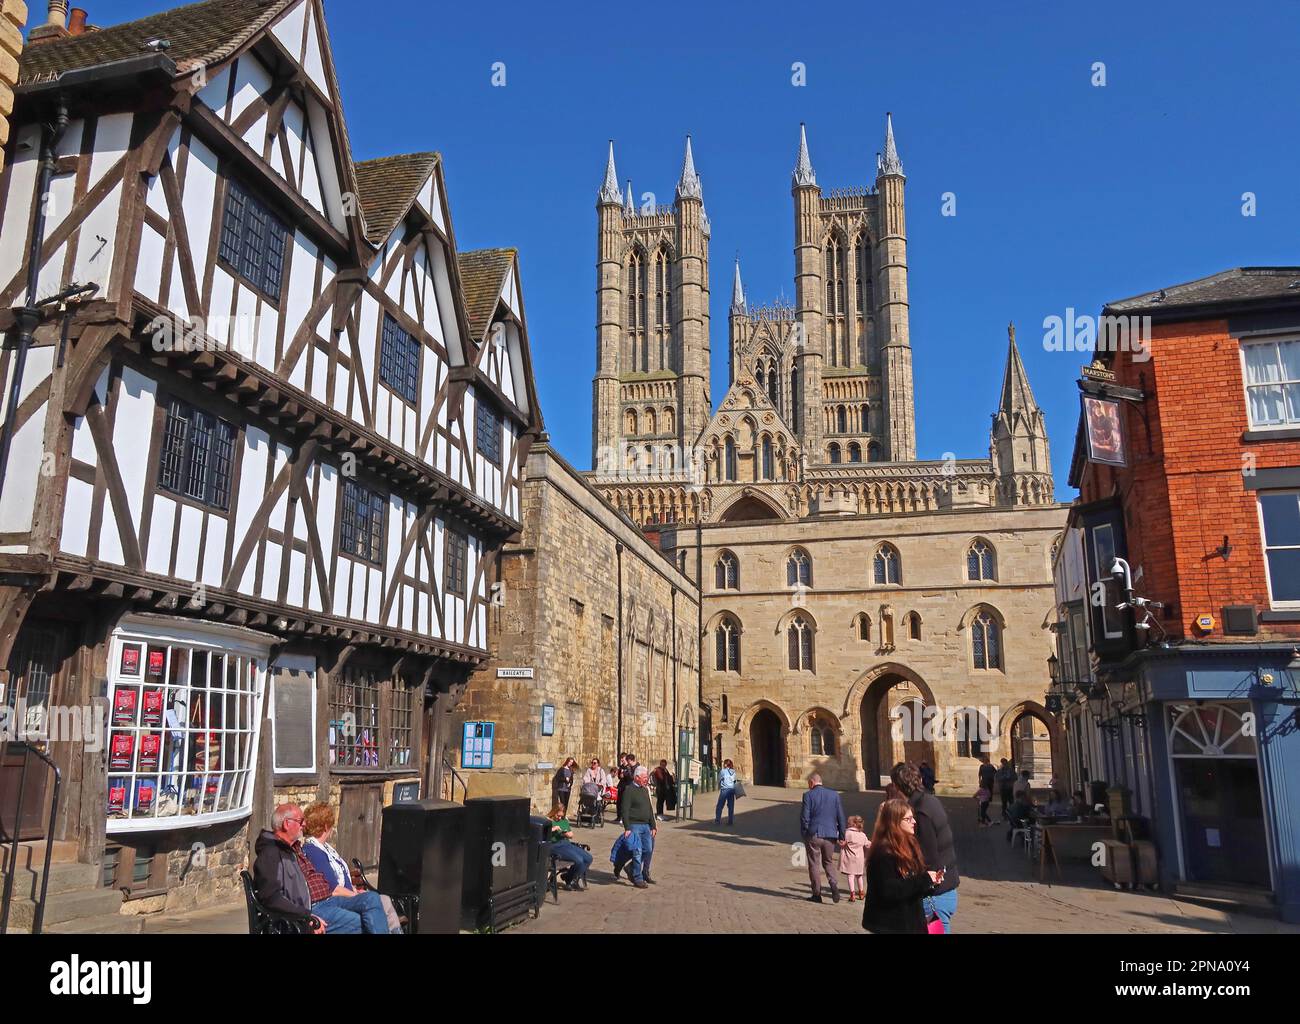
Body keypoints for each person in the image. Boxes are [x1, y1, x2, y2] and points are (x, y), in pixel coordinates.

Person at [253, 803, 390, 934]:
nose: (304, 825)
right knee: (361, 922)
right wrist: (306, 916)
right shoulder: (271, 853)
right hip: (313, 908)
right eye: (300, 821)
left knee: (371, 898)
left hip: (329, 899)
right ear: (287, 824)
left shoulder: (293, 848)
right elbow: (271, 897)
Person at [301, 802, 403, 933]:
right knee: (376, 903)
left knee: (384, 901)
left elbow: (342, 879)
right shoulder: (314, 852)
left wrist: (355, 890)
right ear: (326, 826)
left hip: (345, 897)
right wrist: (355, 895)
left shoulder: (325, 849)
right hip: (336, 900)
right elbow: (334, 889)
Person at [892, 762, 960, 933]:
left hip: (934, 896)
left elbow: (928, 858)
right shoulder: (929, 801)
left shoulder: (920, 811)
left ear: (896, 787)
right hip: (944, 891)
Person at [861, 798, 940, 934]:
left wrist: (932, 882)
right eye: (908, 819)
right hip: (891, 925)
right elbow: (889, 890)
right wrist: (925, 879)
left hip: (912, 922)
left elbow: (912, 883)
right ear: (895, 823)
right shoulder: (882, 853)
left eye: (912, 818)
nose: (914, 822)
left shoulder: (910, 844)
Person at [799, 773, 846, 904]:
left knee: (814, 863)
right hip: (831, 834)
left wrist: (805, 833)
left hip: (814, 834)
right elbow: (840, 816)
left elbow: (805, 817)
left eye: (809, 784)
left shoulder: (808, 795)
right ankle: (833, 884)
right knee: (828, 862)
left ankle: (817, 894)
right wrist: (842, 835)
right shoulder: (834, 795)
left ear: (812, 782)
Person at [621, 765, 657, 889]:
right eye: (644, 777)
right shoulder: (629, 790)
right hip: (634, 825)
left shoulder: (644, 789)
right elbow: (624, 810)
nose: (646, 779)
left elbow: (649, 809)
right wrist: (627, 828)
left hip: (646, 826)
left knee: (648, 850)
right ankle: (637, 877)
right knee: (637, 852)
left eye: (646, 777)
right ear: (636, 777)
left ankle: (631, 868)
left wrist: (653, 826)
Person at [547, 807, 593, 890]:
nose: (559, 818)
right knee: (579, 860)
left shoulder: (564, 821)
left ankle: (570, 878)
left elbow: (571, 834)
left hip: (566, 843)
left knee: (588, 858)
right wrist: (553, 829)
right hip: (555, 846)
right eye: (558, 815)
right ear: (554, 812)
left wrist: (566, 834)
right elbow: (543, 833)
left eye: (561, 816)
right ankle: (571, 881)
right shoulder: (548, 821)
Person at [839, 814, 870, 902]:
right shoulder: (862, 835)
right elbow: (867, 844)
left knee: (850, 876)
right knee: (859, 876)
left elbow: (842, 843)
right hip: (860, 859)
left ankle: (852, 894)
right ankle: (861, 892)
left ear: (851, 824)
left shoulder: (847, 833)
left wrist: (839, 841)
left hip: (850, 858)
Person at [715, 758, 737, 826]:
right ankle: (730, 821)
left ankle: (717, 820)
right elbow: (735, 781)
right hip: (732, 790)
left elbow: (719, 779)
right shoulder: (733, 772)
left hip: (724, 790)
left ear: (725, 764)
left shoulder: (723, 771)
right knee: (730, 806)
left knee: (720, 805)